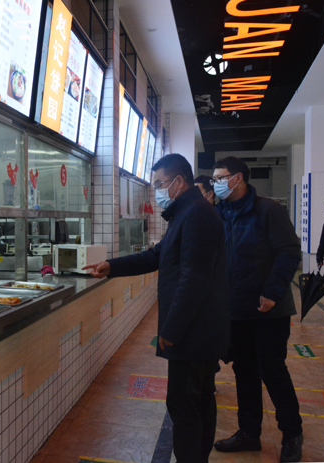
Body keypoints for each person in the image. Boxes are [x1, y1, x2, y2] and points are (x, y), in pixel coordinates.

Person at [83, 154, 230, 463]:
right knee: (198, 401)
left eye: (160, 184)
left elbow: (194, 279)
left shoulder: (196, 214)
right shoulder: (186, 212)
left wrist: (171, 330)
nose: (157, 190)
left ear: (179, 182)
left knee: (185, 405)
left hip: (193, 332)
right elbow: (157, 255)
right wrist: (112, 266)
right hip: (197, 329)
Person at [211, 157, 303, 463]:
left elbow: (289, 252)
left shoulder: (268, 210)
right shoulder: (220, 213)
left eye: (219, 178)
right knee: (244, 372)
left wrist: (272, 293)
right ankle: (249, 433)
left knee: (273, 371)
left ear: (237, 178)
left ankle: (292, 434)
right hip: (236, 310)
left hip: (268, 310)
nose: (215, 184)